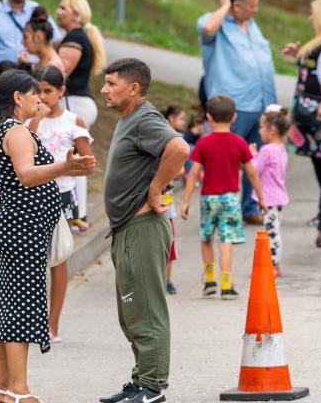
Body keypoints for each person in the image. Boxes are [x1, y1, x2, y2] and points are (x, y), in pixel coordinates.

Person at [0, 70, 94, 403]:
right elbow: (27, 175)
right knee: (22, 305)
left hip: (10, 223)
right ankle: (20, 389)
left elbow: (1, 188)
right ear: (18, 98)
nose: (38, 99)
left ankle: (2, 389)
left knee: (3, 304)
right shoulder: (16, 132)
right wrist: (64, 168)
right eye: (33, 94)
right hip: (23, 227)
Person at [98, 58, 189, 403]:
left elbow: (179, 148)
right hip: (127, 227)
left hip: (143, 227)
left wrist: (155, 189)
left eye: (111, 83)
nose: (104, 90)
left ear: (133, 88)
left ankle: (152, 387)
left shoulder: (144, 117)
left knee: (147, 309)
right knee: (132, 311)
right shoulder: (130, 119)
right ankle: (140, 381)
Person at [197, 0, 277, 224]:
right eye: (251, 6)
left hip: (260, 103)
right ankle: (219, 209)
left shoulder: (252, 25)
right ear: (236, 5)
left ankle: (249, 208)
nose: (256, 10)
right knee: (223, 160)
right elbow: (208, 28)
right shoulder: (215, 23)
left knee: (255, 159)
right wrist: (223, 6)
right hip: (233, 106)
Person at [27, 66, 93, 343]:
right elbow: (23, 155)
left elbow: (88, 165)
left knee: (58, 257)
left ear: (62, 91)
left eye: (48, 91)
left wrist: (61, 170)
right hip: (32, 194)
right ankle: (31, 320)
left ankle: (52, 324)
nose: (43, 96)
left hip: (62, 195)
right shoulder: (31, 120)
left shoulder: (72, 120)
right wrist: (34, 122)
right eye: (38, 91)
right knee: (32, 258)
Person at [180, 94, 266, 300]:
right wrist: (260, 198)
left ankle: (210, 281)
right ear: (234, 117)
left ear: (209, 117)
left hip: (208, 198)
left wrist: (185, 201)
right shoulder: (239, 143)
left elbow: (193, 173)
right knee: (225, 241)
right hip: (230, 199)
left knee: (206, 238)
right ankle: (226, 286)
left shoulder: (203, 143)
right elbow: (251, 173)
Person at [281, 0, 321, 248]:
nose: (309, 17)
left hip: (319, 110)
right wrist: (298, 54)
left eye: (312, 12)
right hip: (308, 113)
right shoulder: (318, 41)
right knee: (319, 160)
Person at [54, 0, 106, 128]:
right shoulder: (78, 36)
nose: (57, 12)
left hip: (74, 104)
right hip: (78, 104)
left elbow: (57, 74)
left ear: (75, 15)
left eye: (63, 8)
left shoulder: (75, 38)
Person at [254, 106, 291, 276]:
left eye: (262, 127)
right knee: (274, 231)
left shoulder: (266, 150)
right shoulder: (282, 148)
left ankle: (274, 265)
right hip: (278, 198)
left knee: (272, 234)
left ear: (272, 129)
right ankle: (274, 263)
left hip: (268, 199)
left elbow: (255, 171)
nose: (260, 131)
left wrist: (251, 155)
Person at [162, 106, 192, 295]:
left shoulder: (174, 141)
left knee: (168, 245)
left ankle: (167, 280)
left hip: (166, 207)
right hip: (146, 206)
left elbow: (181, 170)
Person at [19, 7, 64, 72]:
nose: (22, 42)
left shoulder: (53, 67)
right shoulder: (39, 64)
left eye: (25, 37)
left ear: (38, 37)